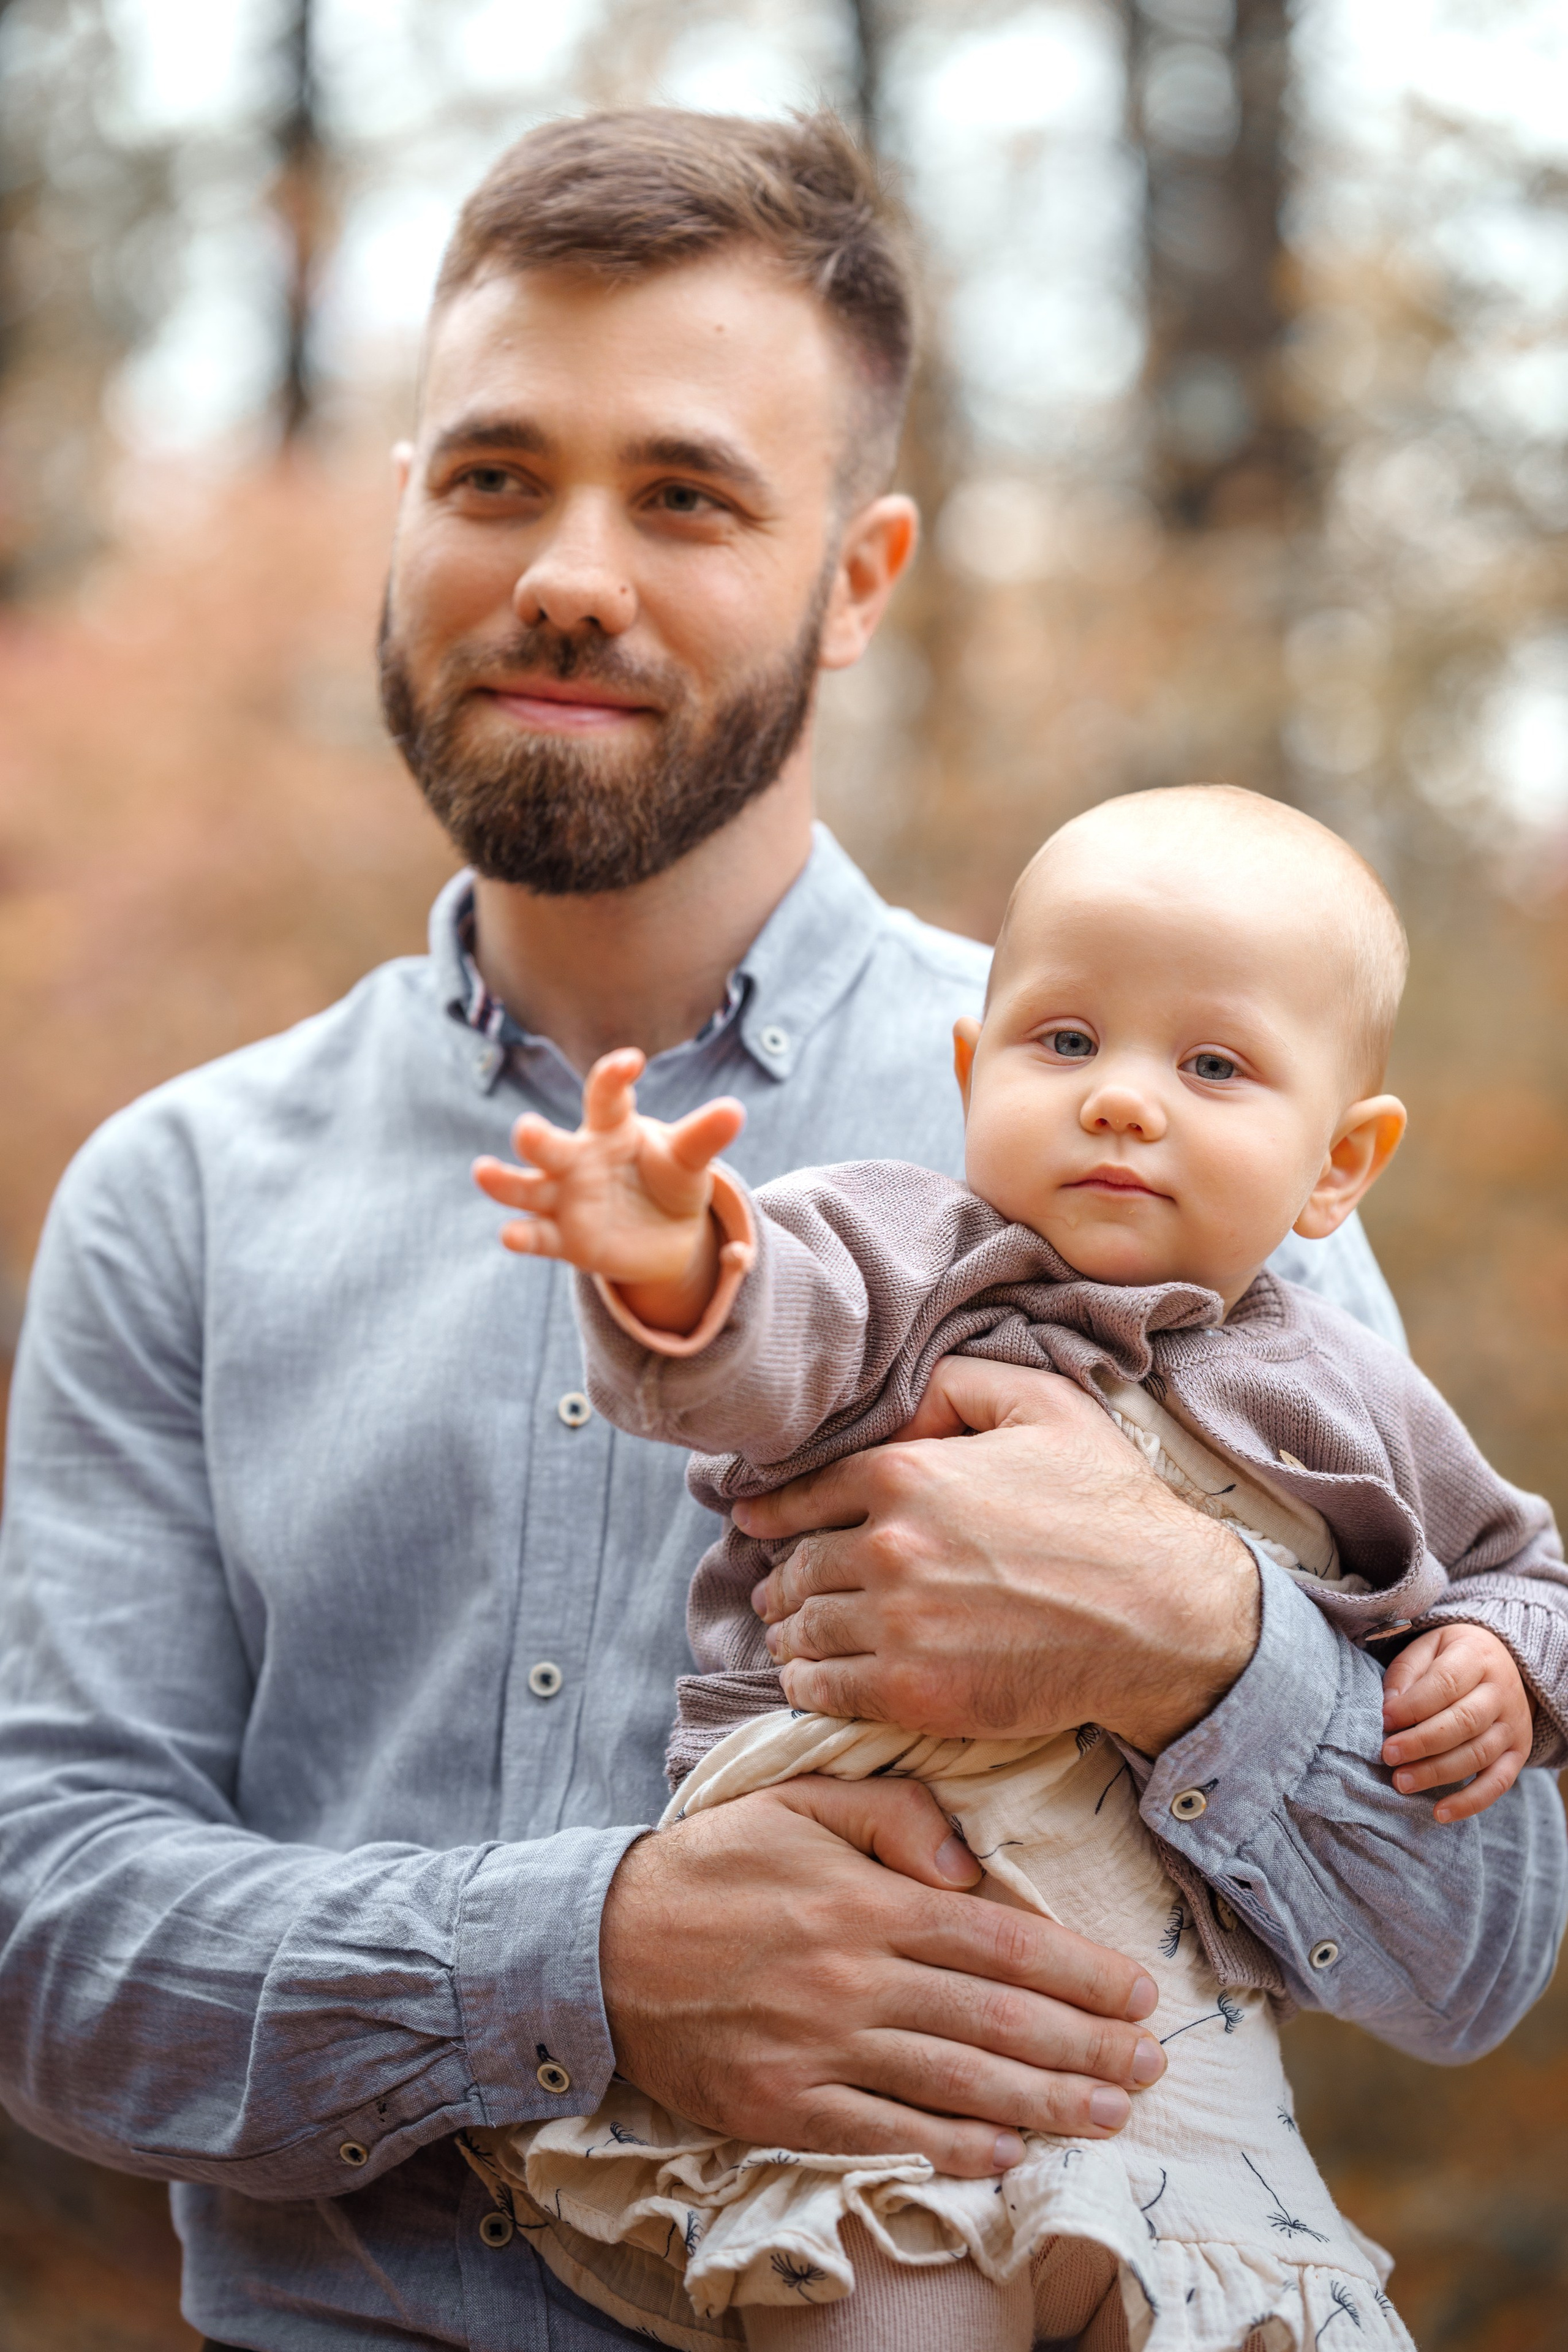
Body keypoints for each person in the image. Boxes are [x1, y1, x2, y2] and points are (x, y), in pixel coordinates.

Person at [0, 111, 1561, 2352]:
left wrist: (1196, 1637)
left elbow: (1480, 1939)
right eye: (494, 476)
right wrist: (595, 1964)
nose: (569, 573)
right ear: (407, 519)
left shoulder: (1166, 1128)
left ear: (859, 575)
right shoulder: (179, 1196)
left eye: (690, 494)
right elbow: (51, 1947)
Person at [464, 785, 1564, 2352]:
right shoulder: (905, 1256)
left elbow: (1510, 1567)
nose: (1121, 1101)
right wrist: (677, 1263)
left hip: (1168, 2050)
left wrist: (1500, 1660)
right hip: (861, 2003)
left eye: (1209, 1065)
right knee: (887, 2301)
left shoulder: (1348, 1393)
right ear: (975, 1073)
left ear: (1338, 1164)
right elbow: (766, 1340)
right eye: (1064, 1044)